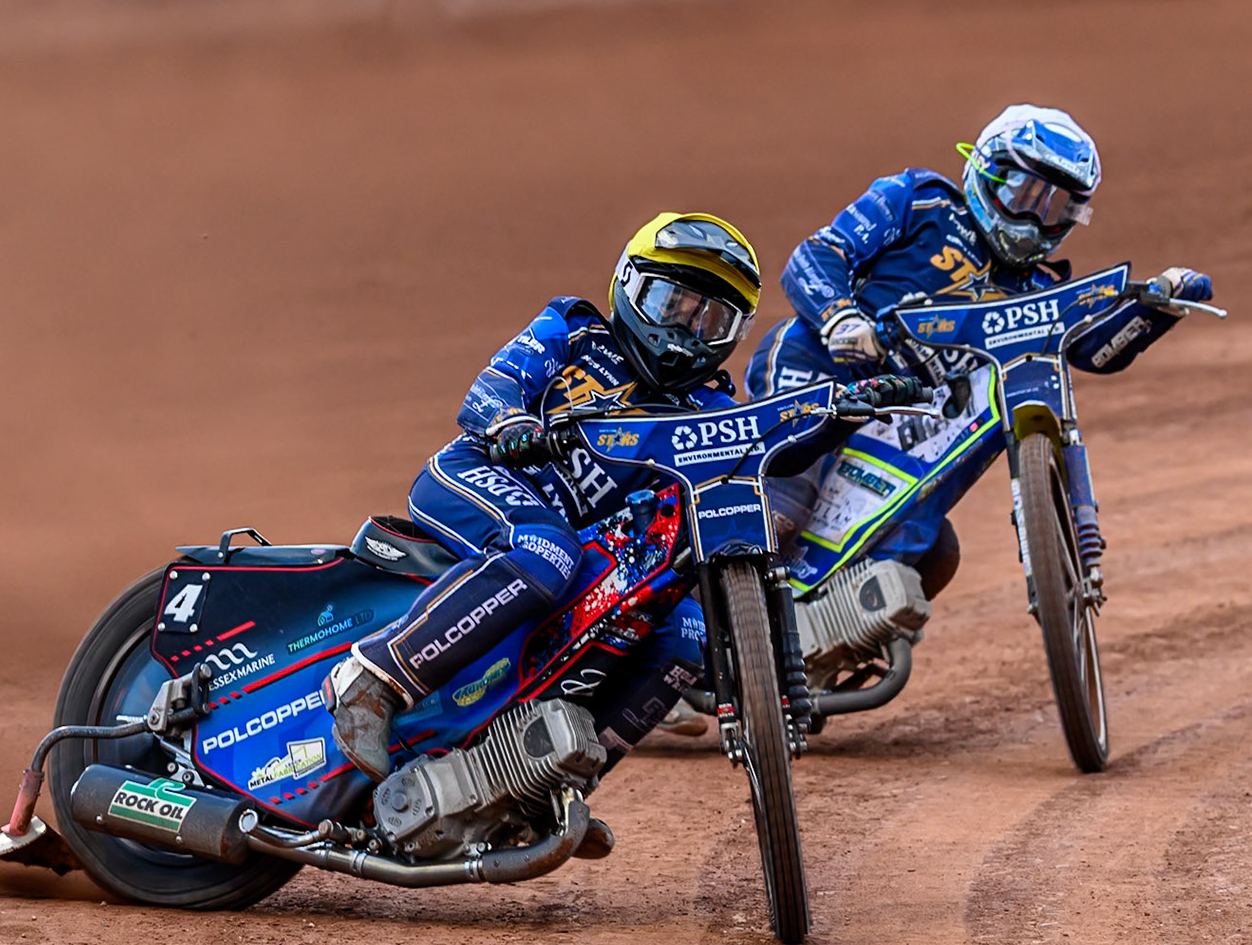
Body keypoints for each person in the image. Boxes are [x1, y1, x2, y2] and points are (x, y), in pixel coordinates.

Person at [322, 212, 898, 779]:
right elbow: (496, 384)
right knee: (548, 553)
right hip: (474, 477)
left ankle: (551, 781)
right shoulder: (573, 328)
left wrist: (845, 415)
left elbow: (775, 451)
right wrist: (508, 423)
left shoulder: (709, 406)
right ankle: (373, 679)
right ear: (629, 286)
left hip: (575, 545)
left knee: (686, 632)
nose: (683, 329)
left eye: (709, 319)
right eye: (672, 303)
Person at [743, 103, 1212, 591]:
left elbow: (1090, 350)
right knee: (782, 512)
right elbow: (817, 254)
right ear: (985, 172)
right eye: (1024, 194)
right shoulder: (919, 199)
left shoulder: (1039, 287)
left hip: (906, 424)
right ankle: (709, 617)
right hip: (820, 368)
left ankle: (824, 646)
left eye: (1053, 208)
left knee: (936, 553)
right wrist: (841, 317)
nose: (1034, 220)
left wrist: (1159, 307)